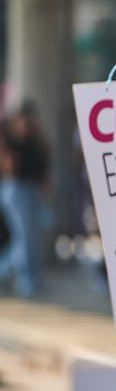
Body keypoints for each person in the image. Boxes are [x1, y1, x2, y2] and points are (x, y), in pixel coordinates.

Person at [0, 103, 50, 297]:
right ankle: (24, 277)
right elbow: (8, 167)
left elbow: (44, 169)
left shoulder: (38, 141)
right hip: (16, 189)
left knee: (31, 236)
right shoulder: (11, 140)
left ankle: (27, 274)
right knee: (24, 236)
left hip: (32, 190)